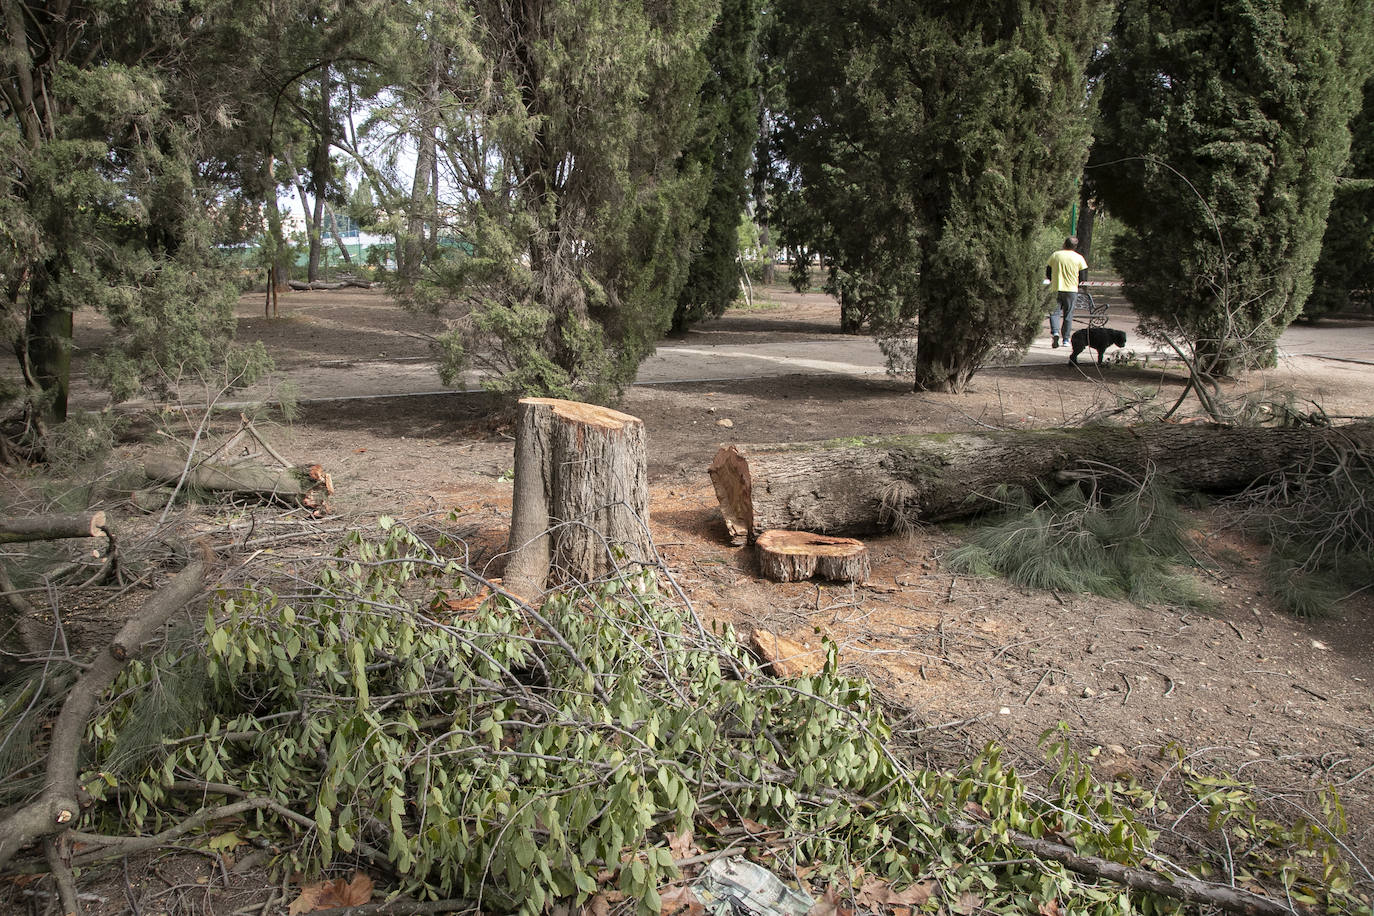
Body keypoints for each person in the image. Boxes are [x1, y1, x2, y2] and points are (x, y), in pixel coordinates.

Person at [1046, 236, 1088, 348]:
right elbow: (1083, 276)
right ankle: (1065, 339)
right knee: (1068, 315)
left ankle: (1055, 332)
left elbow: (1048, 271)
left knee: (1054, 313)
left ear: (1064, 244)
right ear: (1075, 246)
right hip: (1071, 290)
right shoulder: (1079, 258)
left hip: (1056, 288)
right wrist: (1077, 283)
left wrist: (1052, 280)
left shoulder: (1056, 255)